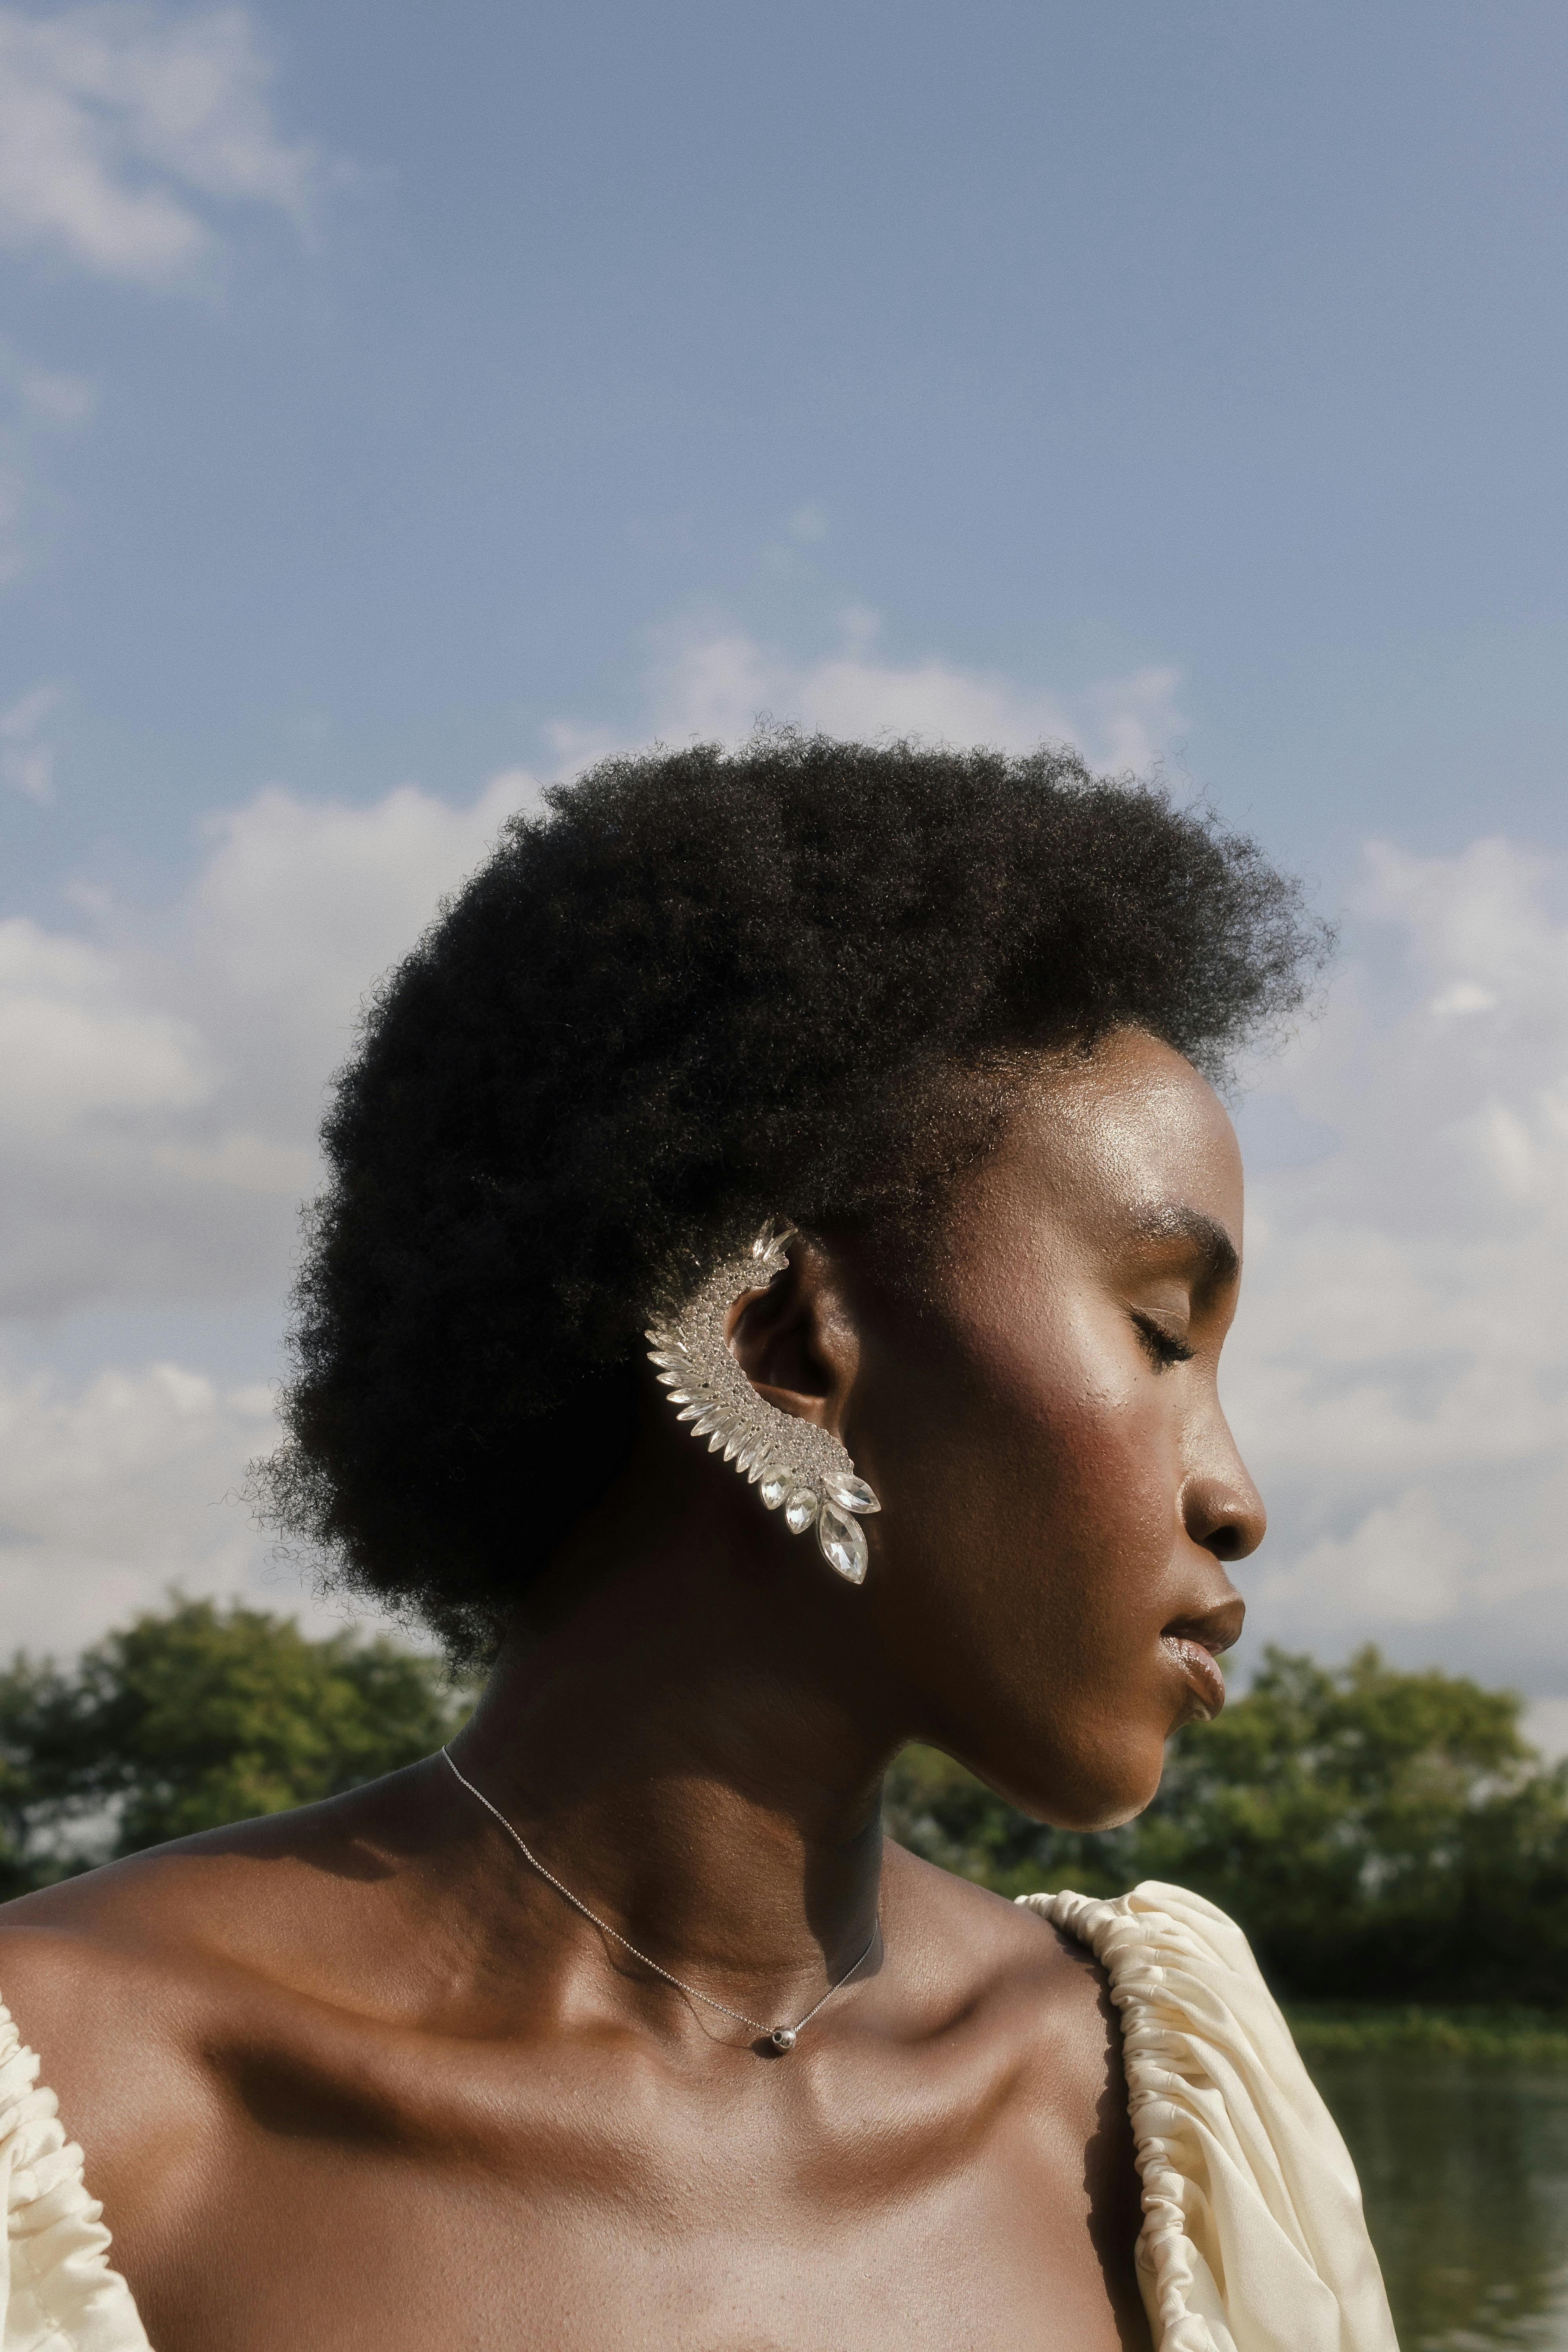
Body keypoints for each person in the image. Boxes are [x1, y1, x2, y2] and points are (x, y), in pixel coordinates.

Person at [0, 735, 1397, 2351]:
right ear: (779, 1351)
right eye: (1161, 1332)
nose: (1234, 1497)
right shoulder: (76, 2109)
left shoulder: (1156, 2110)